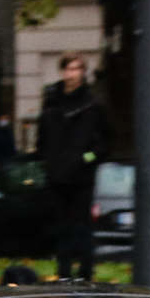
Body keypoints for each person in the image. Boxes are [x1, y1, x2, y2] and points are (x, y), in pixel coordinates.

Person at [36, 53, 111, 281]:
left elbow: (107, 139)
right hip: (57, 174)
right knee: (61, 227)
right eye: (69, 69)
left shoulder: (92, 104)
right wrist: (47, 160)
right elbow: (42, 137)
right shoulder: (51, 102)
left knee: (82, 226)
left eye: (77, 69)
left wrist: (88, 157)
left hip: (81, 175)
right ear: (62, 72)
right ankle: (64, 272)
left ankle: (85, 272)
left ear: (82, 73)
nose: (73, 74)